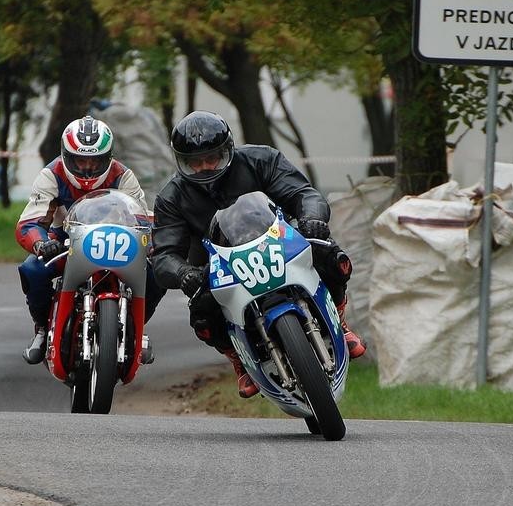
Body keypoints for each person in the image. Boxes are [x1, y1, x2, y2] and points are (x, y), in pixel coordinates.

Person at [151, 110, 365, 399]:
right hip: (219, 264)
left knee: (329, 254)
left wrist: (312, 217)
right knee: (201, 313)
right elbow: (164, 254)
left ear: (227, 150)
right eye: (195, 162)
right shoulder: (171, 197)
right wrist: (183, 272)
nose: (205, 167)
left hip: (278, 241)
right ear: (181, 162)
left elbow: (304, 193)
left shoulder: (261, 159)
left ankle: (339, 319)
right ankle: (239, 359)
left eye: (211, 158)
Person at [16, 115, 166, 364]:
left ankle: (137, 327)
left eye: (94, 161)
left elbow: (142, 217)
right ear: (66, 155)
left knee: (156, 274)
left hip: (116, 238)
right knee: (33, 268)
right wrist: (41, 243)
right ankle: (42, 328)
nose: (86, 168)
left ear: (107, 158)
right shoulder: (51, 174)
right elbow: (29, 222)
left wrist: (152, 245)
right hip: (66, 239)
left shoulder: (123, 175)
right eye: (79, 160)